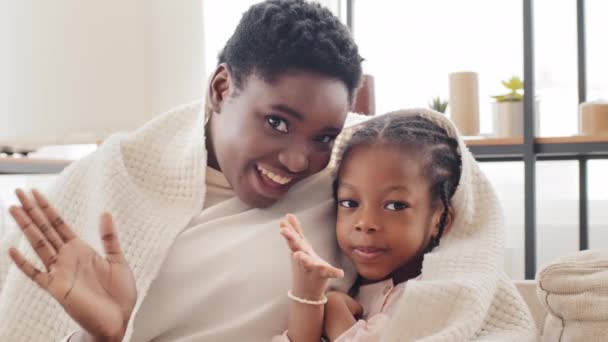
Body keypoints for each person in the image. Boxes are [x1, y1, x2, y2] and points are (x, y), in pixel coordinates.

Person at [0, 1, 363, 341]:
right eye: (277, 123)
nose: (299, 161)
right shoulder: (113, 176)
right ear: (221, 89)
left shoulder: (352, 179)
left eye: (323, 138)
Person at [273, 110, 539, 341]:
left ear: (440, 219)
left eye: (395, 206)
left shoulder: (445, 294)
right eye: (349, 202)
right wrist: (308, 294)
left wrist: (335, 316)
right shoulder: (352, 289)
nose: (365, 223)